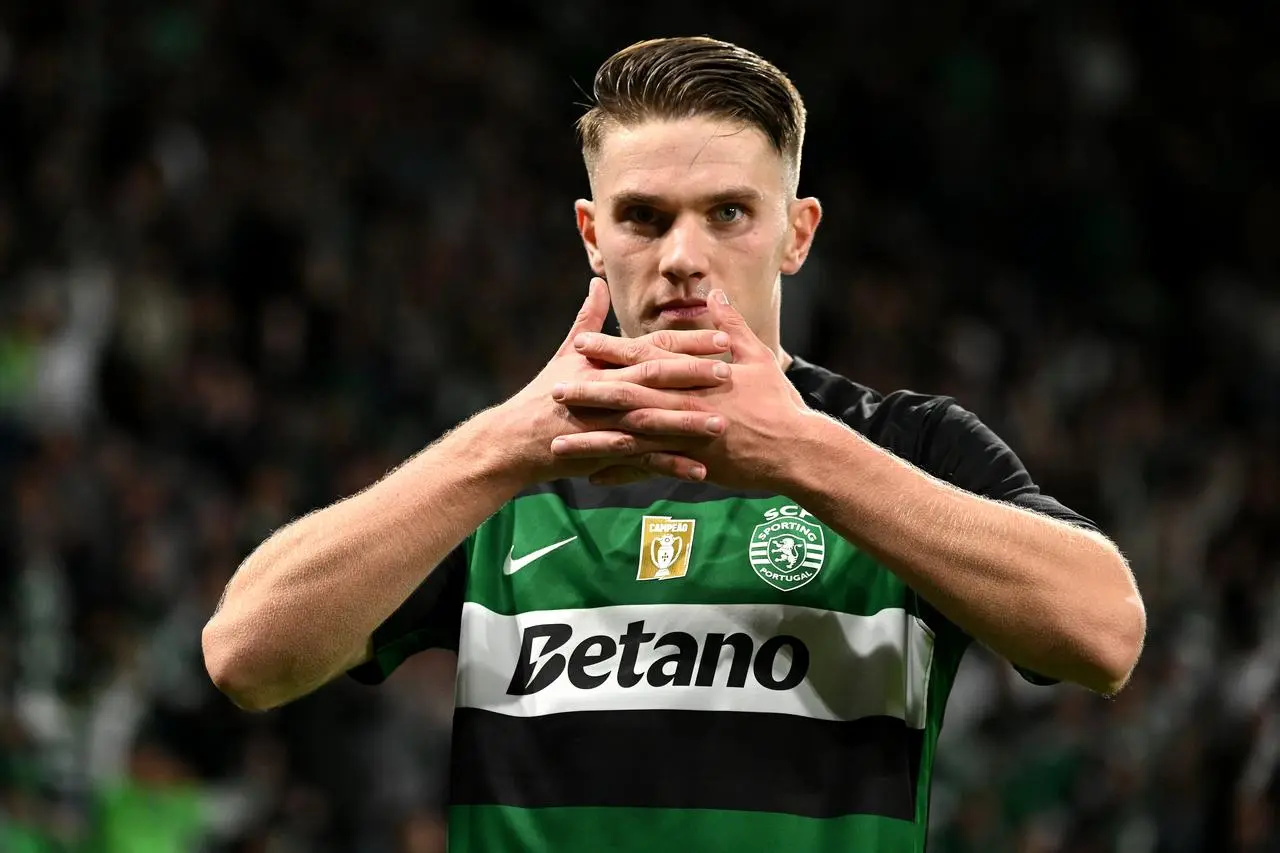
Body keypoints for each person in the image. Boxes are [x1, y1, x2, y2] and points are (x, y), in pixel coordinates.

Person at [202, 36, 1147, 853]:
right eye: (643, 217)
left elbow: (1105, 634)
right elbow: (246, 655)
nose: (684, 257)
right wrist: (502, 449)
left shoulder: (902, 445)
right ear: (592, 234)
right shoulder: (505, 469)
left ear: (797, 234)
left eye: (729, 212)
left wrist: (800, 452)